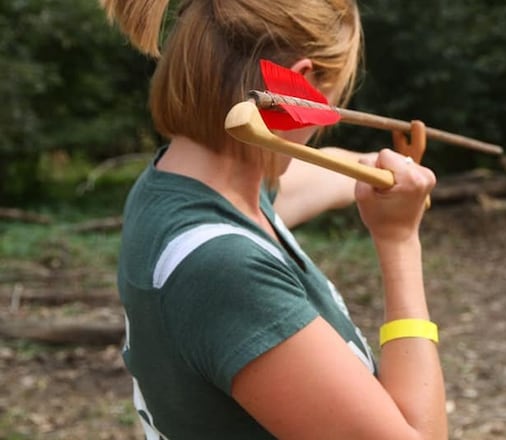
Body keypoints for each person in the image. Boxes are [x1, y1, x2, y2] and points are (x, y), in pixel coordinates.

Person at [101, 0, 447, 438]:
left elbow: (314, 173)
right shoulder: (223, 270)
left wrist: (378, 168)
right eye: (332, 102)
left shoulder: (180, 190)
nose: (327, 123)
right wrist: (399, 241)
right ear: (297, 90)